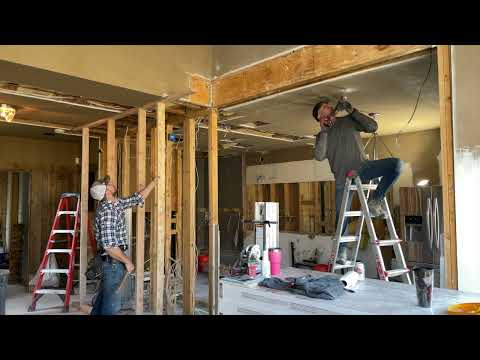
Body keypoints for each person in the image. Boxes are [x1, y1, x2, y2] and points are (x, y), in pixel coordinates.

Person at [313, 96, 403, 264]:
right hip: (343, 179)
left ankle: (376, 200)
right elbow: (319, 155)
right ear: (319, 116)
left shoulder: (348, 120)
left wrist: (352, 110)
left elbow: (373, 126)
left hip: (363, 168)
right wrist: (324, 131)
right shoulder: (322, 136)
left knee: (396, 165)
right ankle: (342, 252)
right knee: (342, 217)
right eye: (325, 107)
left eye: (329, 106)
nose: (329, 108)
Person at [89, 175, 158, 315]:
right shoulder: (108, 211)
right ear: (106, 189)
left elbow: (137, 198)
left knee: (102, 304)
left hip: (113, 263)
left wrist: (154, 182)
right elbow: (109, 246)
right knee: (111, 307)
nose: (113, 182)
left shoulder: (116, 204)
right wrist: (127, 261)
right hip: (113, 264)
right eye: (109, 182)